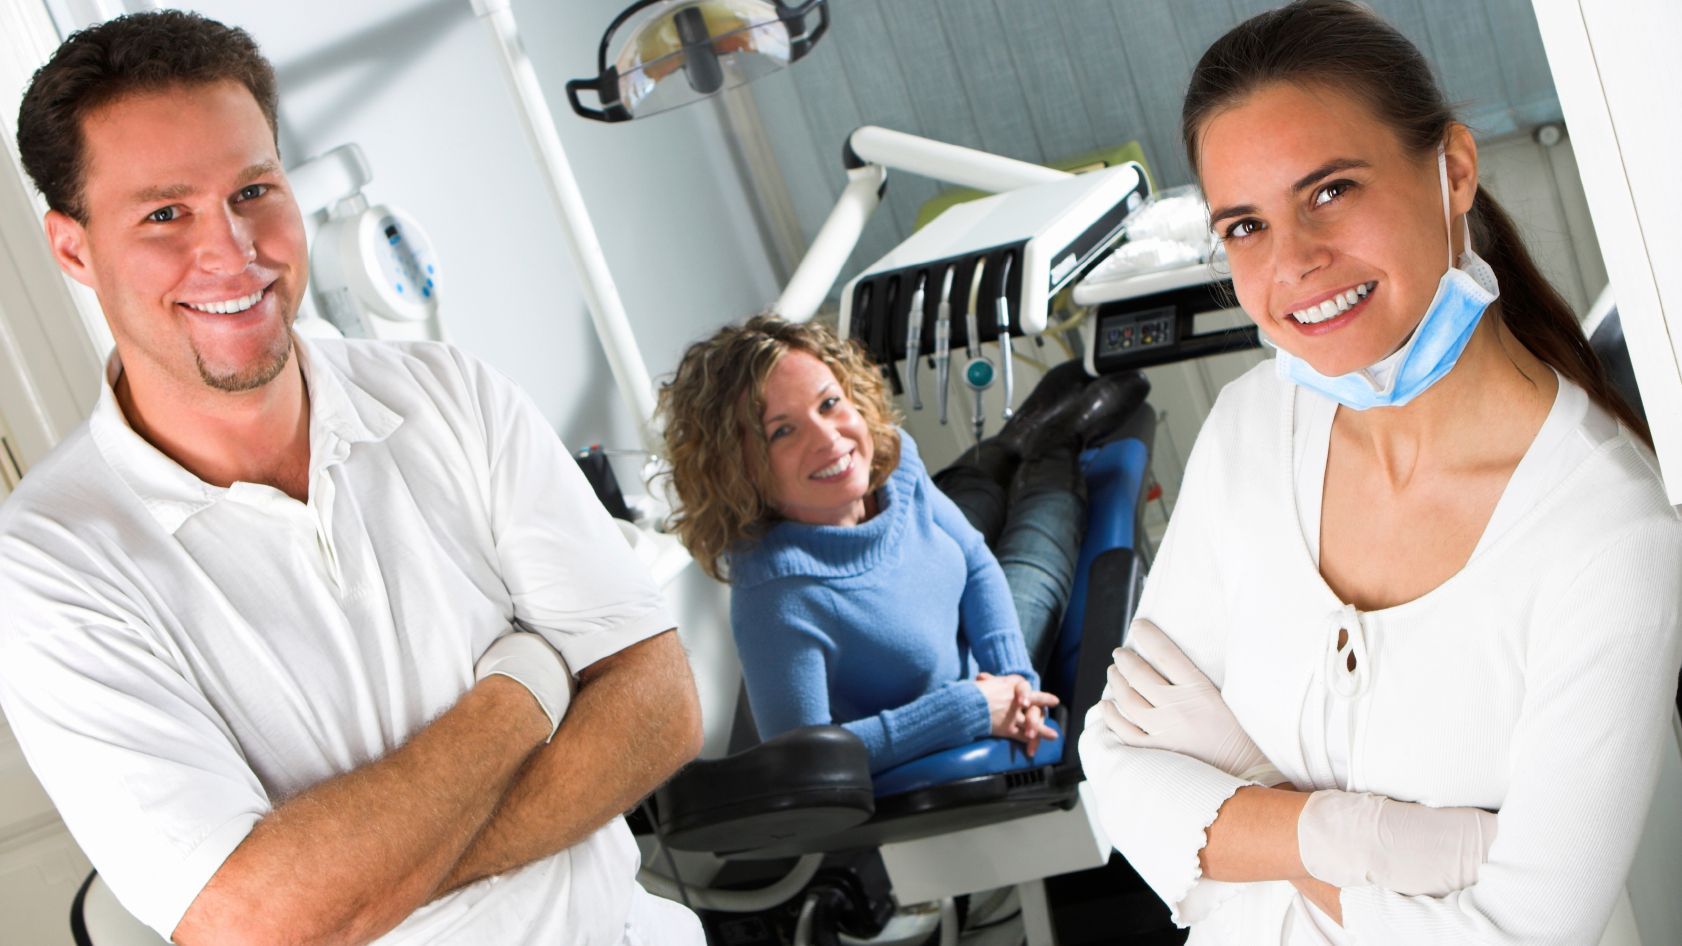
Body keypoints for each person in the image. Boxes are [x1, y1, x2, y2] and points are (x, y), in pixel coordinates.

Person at [0, 12, 705, 945]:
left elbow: (659, 706)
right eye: (165, 214)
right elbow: (256, 923)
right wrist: (528, 683)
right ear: (73, 249)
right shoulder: (48, 565)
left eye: (253, 190)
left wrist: (367, 887)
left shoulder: (451, 394)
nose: (231, 251)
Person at [1078, 2, 1682, 944]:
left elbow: (1522, 934)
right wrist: (1371, 840)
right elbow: (1116, 768)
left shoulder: (1608, 533)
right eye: (1245, 225)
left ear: (1454, 171)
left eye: (1330, 191)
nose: (1295, 263)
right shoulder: (1249, 431)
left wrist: (1249, 800)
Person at [656, 315, 1140, 773]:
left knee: (974, 491)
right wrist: (967, 709)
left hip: (957, 619)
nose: (828, 439)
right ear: (739, 468)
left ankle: (1016, 438)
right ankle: (1059, 441)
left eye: (829, 403)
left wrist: (1017, 676)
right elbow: (808, 762)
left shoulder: (888, 460)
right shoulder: (777, 599)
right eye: (783, 430)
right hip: (968, 692)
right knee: (1042, 522)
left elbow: (974, 560)